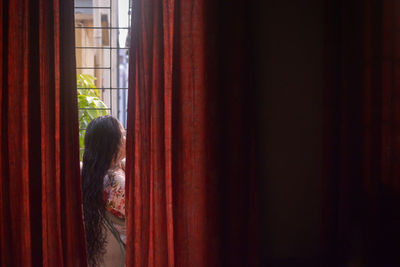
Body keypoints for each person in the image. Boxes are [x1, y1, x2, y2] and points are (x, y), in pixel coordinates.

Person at [81, 116, 126, 267]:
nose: (126, 138)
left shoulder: (89, 174)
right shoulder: (116, 183)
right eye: (122, 135)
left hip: (97, 256)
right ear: (114, 144)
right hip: (121, 257)